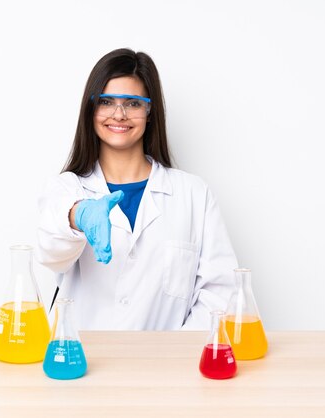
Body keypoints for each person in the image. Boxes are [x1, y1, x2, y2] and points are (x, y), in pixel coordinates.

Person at [37, 48, 238, 330]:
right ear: (91, 109)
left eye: (132, 103)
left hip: (167, 367)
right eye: (106, 101)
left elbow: (220, 292)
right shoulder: (68, 187)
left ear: (149, 110)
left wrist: (173, 355)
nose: (119, 114)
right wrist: (79, 215)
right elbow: (51, 253)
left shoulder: (193, 193)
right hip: (84, 365)